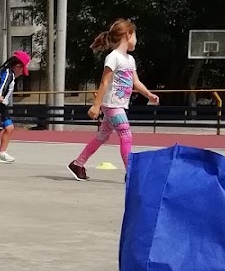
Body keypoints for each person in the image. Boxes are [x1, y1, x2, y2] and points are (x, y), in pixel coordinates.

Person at [68, 19, 158, 180]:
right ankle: (130, 172)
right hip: (111, 105)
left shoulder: (130, 60)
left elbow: (136, 82)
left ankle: (78, 164)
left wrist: (149, 95)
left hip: (119, 104)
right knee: (126, 133)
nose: (136, 40)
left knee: (102, 136)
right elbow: (104, 82)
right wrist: (96, 106)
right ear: (127, 34)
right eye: (135, 36)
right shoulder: (113, 57)